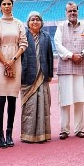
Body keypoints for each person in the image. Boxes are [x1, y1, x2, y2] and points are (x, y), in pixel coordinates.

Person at [0, 0, 28, 148]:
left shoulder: (18, 23)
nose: (7, 6)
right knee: (1, 100)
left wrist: (13, 60)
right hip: (0, 64)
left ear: (12, 6)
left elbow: (23, 43)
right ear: (0, 7)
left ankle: (9, 133)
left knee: (12, 99)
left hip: (15, 62)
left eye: (9, 4)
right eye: (4, 4)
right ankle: (0, 135)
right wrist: (5, 62)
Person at [54, 2, 84, 139]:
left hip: (80, 67)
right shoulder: (61, 27)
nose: (72, 13)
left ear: (78, 11)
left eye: (74, 11)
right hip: (65, 68)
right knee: (65, 100)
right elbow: (57, 44)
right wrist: (71, 55)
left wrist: (82, 54)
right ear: (66, 13)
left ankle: (79, 129)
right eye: (69, 11)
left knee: (79, 99)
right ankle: (64, 129)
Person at [21, 11, 53, 143]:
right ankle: (28, 135)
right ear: (28, 22)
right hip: (29, 77)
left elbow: (50, 56)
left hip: (43, 75)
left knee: (43, 105)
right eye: (32, 19)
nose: (35, 22)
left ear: (41, 22)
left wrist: (50, 74)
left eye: (37, 19)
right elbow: (21, 57)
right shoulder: (23, 36)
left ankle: (43, 134)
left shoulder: (46, 36)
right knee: (31, 106)